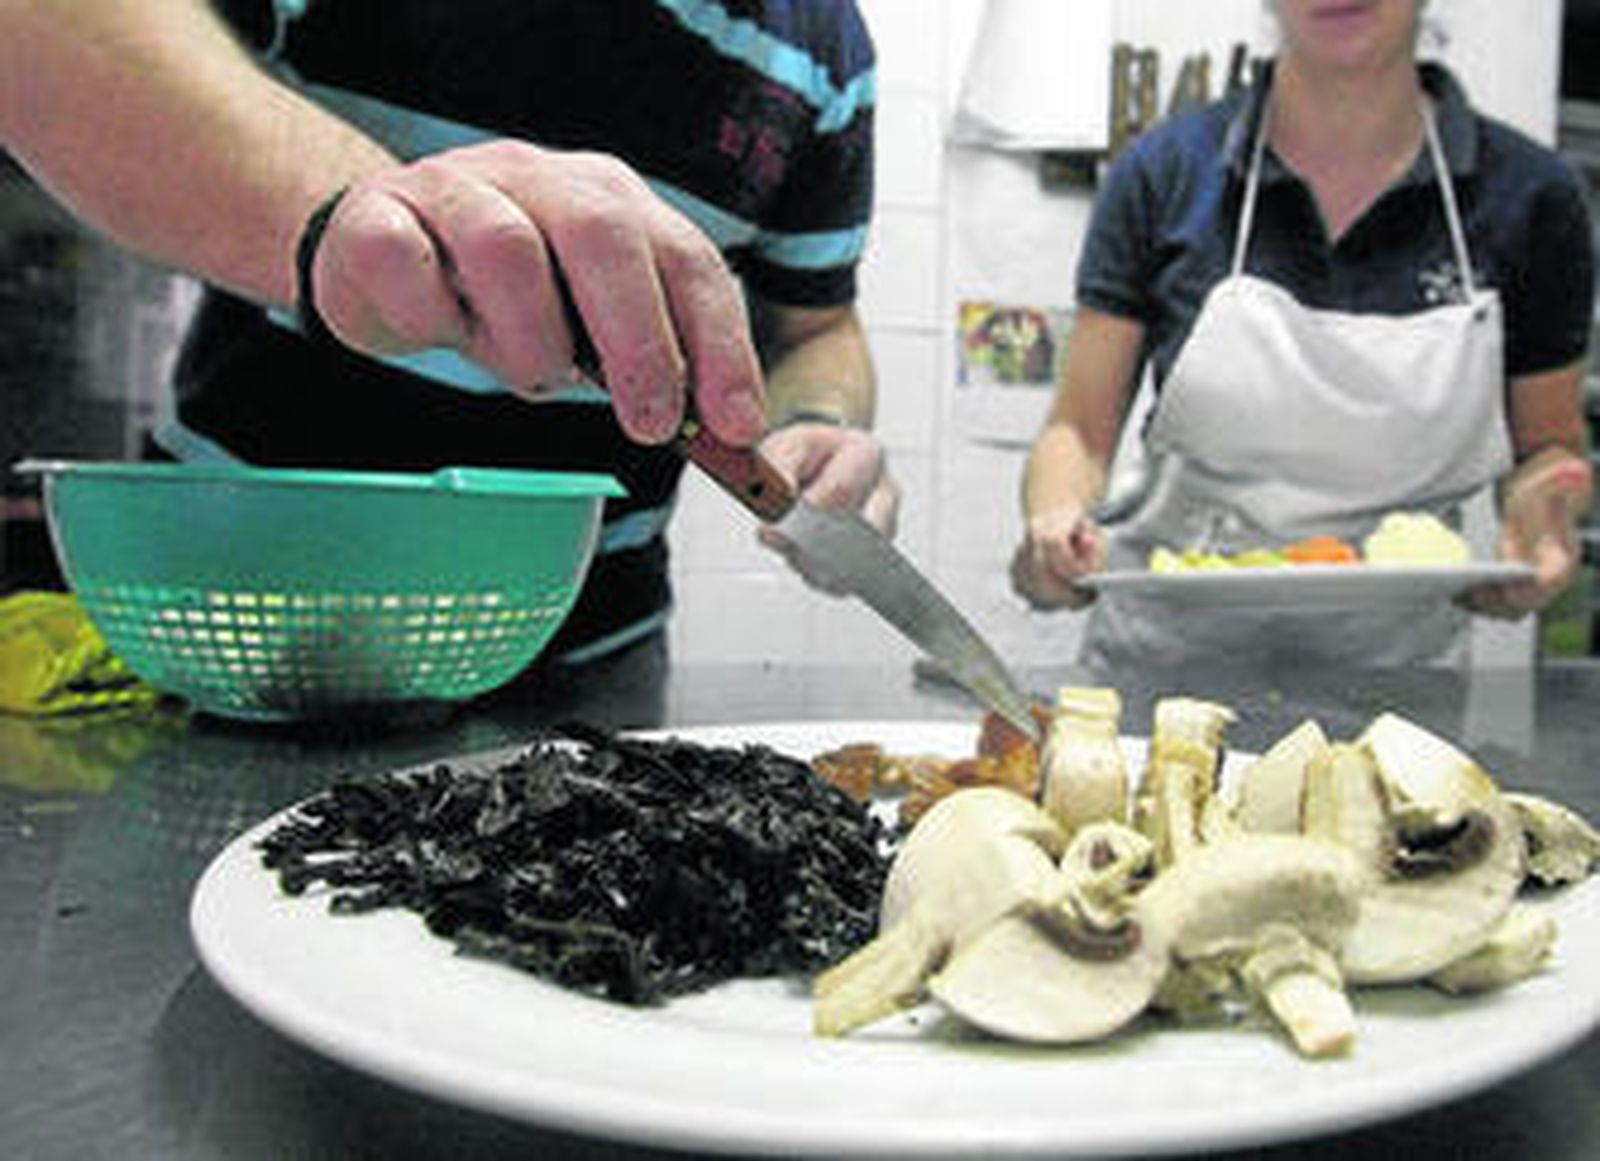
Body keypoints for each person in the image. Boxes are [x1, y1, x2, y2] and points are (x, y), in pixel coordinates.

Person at [0, 0, 895, 666]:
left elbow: (816, 324)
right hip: (228, 635)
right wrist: (357, 220)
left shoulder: (830, 48)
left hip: (588, 664)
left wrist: (818, 422)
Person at [1010, 0, 1595, 668]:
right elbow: (1080, 430)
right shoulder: (1163, 174)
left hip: (1400, 692)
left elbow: (1548, 447)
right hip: (1165, 673)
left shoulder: (1532, 199)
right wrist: (1054, 520)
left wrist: (1542, 517)